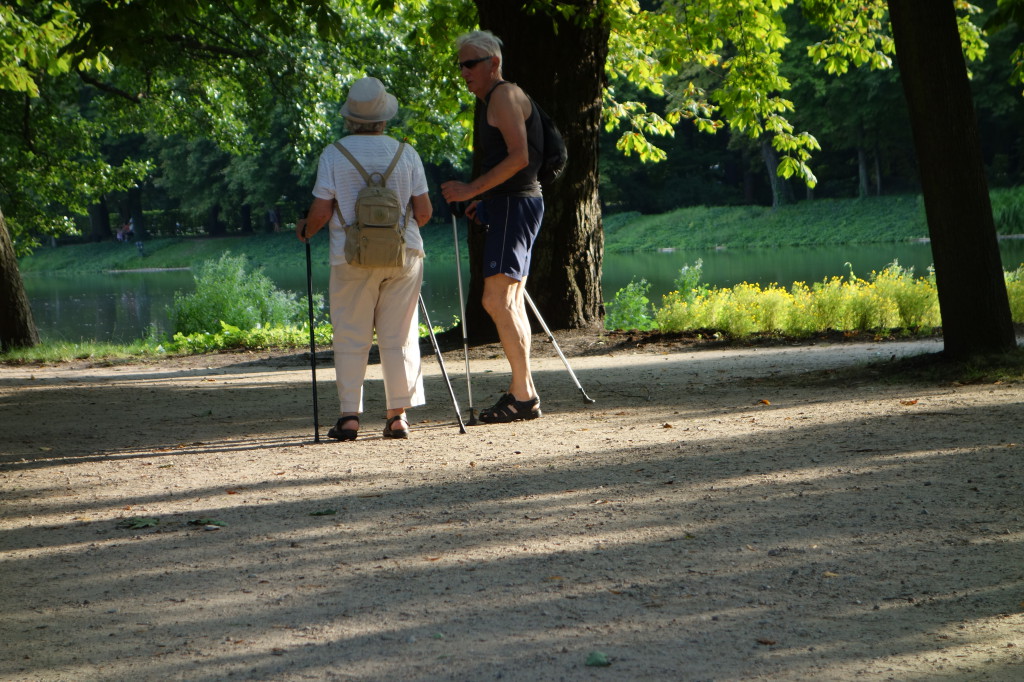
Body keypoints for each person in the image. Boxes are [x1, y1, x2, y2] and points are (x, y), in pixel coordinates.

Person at [296, 77, 433, 440]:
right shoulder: (407, 153)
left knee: (351, 334)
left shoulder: (334, 153)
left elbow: (322, 212)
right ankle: (397, 415)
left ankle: (349, 416)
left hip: (350, 257)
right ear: (384, 117)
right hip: (404, 254)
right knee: (400, 334)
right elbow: (424, 213)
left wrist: (306, 229)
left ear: (350, 118)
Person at [441, 30, 544, 424]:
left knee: (496, 300)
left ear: (493, 63)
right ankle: (524, 392)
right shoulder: (502, 97)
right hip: (511, 205)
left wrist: (472, 188)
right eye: (460, 65)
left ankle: (523, 395)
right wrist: (484, 200)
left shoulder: (502, 95)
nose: (463, 72)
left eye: (469, 64)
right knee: (511, 300)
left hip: (516, 205)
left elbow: (519, 157)